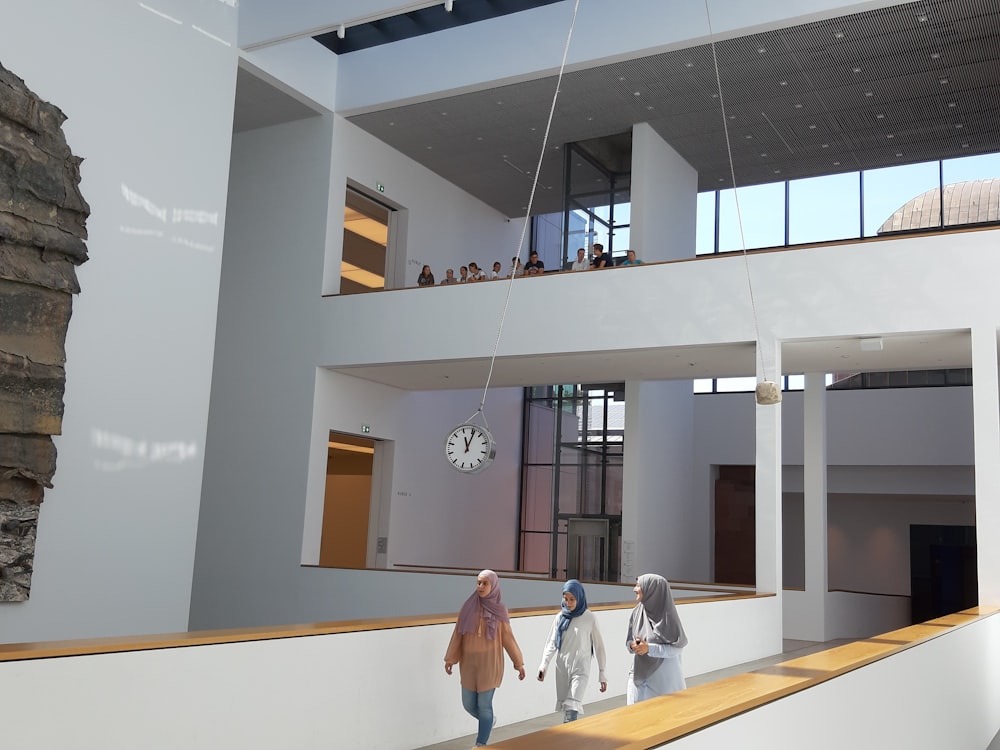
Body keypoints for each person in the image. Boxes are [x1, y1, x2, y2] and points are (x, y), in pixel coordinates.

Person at [444, 570, 526, 747]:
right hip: (469, 665)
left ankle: (481, 743)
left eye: (485, 583)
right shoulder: (468, 607)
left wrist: (518, 663)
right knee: (468, 704)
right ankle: (489, 721)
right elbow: (458, 634)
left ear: (493, 585)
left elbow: (508, 638)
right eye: (478, 583)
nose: (480, 586)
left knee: (484, 705)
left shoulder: (499, 610)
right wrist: (450, 658)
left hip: (490, 664)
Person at [537, 579, 608, 723]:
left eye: (572, 599)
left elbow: (599, 646)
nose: (568, 603)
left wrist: (602, 673)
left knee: (572, 707)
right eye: (566, 599)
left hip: (581, 668)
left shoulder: (589, 618)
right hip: (562, 667)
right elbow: (552, 642)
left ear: (580, 597)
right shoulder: (560, 617)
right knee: (566, 708)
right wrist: (544, 665)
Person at [626, 573, 687, 705]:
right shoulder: (637, 613)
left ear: (652, 589)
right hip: (639, 676)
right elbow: (629, 642)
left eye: (638, 585)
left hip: (665, 682)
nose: (634, 589)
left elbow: (676, 649)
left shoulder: (668, 618)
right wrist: (633, 646)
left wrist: (649, 648)